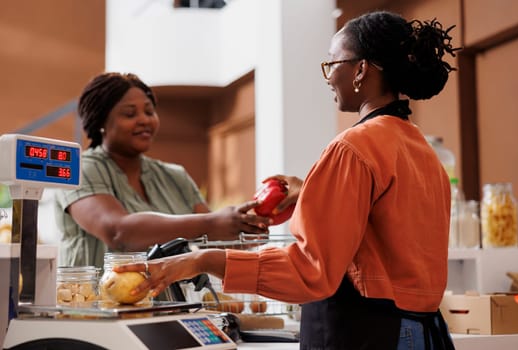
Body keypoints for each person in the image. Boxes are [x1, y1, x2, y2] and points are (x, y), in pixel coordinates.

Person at [115, 11, 460, 349]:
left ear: (360, 70)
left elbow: (310, 270)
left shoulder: (353, 148)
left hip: (370, 333)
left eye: (332, 64)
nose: (327, 77)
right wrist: (310, 191)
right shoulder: (421, 149)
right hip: (424, 332)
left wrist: (201, 260)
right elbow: (386, 240)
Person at [54, 72, 271, 268]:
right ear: (101, 122)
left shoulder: (174, 176)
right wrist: (212, 222)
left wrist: (246, 227)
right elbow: (118, 232)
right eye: (130, 114)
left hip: (168, 308)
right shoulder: (80, 169)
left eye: (149, 111)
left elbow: (212, 240)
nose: (144, 120)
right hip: (93, 307)